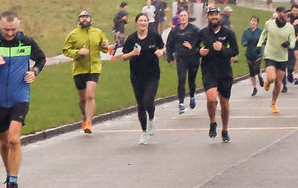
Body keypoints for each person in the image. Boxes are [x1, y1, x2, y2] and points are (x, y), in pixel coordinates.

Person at [0, 11, 46, 188]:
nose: (9, 33)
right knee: (4, 142)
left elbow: (41, 59)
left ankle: (13, 182)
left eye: (13, 29)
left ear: (19, 25)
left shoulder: (27, 42)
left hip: (20, 97)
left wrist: (34, 71)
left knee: (14, 139)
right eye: (6, 29)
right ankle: (9, 173)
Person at [116, 9, 167, 142]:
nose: (143, 23)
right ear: (136, 23)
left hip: (152, 74)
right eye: (140, 21)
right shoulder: (132, 38)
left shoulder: (154, 36)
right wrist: (133, 53)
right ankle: (144, 132)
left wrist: (161, 51)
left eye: (145, 21)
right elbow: (124, 56)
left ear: (148, 23)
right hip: (137, 75)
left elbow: (163, 47)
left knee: (148, 100)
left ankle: (151, 118)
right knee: (140, 104)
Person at [63, 9, 112, 133]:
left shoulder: (98, 32)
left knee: (90, 95)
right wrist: (78, 52)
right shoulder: (73, 34)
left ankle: (89, 123)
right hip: (79, 69)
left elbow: (104, 47)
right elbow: (66, 50)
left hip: (94, 67)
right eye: (82, 17)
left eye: (87, 17)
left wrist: (106, 45)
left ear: (91, 19)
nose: (85, 19)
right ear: (79, 20)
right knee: (83, 99)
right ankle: (84, 117)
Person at [197, 6, 239, 139]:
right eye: (211, 15)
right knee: (210, 98)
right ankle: (213, 122)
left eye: (216, 14)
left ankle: (225, 130)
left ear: (220, 16)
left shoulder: (228, 33)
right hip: (209, 70)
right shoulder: (202, 33)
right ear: (208, 17)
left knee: (224, 103)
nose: (214, 17)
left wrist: (222, 49)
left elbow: (235, 51)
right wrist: (199, 51)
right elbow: (194, 48)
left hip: (224, 71)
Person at [259, 6, 294, 114]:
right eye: (283, 12)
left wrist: (289, 44)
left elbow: (293, 41)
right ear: (278, 13)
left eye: (287, 13)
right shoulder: (269, 24)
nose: (286, 14)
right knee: (272, 78)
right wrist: (260, 43)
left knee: (278, 83)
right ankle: (268, 81)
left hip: (282, 57)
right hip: (270, 54)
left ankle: (273, 103)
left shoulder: (289, 27)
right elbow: (264, 33)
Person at [167, 9, 201, 114]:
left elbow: (201, 44)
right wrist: (170, 57)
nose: (182, 18)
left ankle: (192, 96)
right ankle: (181, 104)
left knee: (191, 80)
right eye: (181, 16)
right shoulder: (174, 31)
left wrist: (192, 47)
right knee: (181, 79)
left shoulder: (194, 29)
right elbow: (169, 44)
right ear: (178, 18)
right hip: (181, 58)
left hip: (193, 58)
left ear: (188, 17)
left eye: (184, 15)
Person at [241, 14, 264, 92]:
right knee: (252, 71)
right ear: (250, 21)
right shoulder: (246, 31)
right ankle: (254, 87)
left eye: (255, 21)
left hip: (258, 52)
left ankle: (260, 77)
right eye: (252, 20)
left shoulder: (260, 31)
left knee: (257, 68)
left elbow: (265, 39)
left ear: (257, 23)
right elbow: (243, 40)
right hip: (249, 53)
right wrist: (245, 43)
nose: (253, 22)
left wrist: (261, 44)